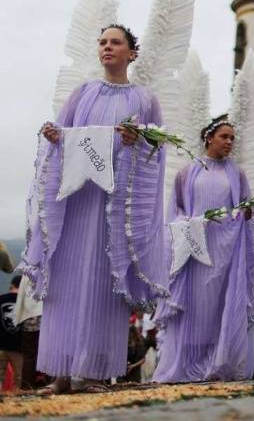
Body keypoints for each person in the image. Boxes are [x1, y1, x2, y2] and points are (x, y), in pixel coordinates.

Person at [23, 25, 168, 394]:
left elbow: (156, 150)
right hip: (77, 202)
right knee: (68, 283)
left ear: (131, 53)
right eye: (102, 42)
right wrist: (54, 137)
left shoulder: (145, 100)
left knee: (105, 285)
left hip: (114, 208)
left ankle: (93, 372)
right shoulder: (81, 93)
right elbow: (59, 132)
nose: (107, 47)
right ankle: (58, 373)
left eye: (115, 42)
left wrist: (137, 142)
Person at [153, 120, 254, 382]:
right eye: (224, 137)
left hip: (228, 253)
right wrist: (190, 223)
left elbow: (245, 212)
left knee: (222, 308)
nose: (229, 142)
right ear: (209, 138)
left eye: (232, 138)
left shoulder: (237, 174)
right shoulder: (187, 173)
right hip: (196, 251)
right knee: (196, 308)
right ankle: (187, 365)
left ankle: (221, 363)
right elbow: (177, 212)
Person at [0, 277, 22, 390]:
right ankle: (18, 402)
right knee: (19, 378)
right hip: (18, 347)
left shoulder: (1, 299)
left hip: (1, 346)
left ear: (11, 285)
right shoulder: (25, 302)